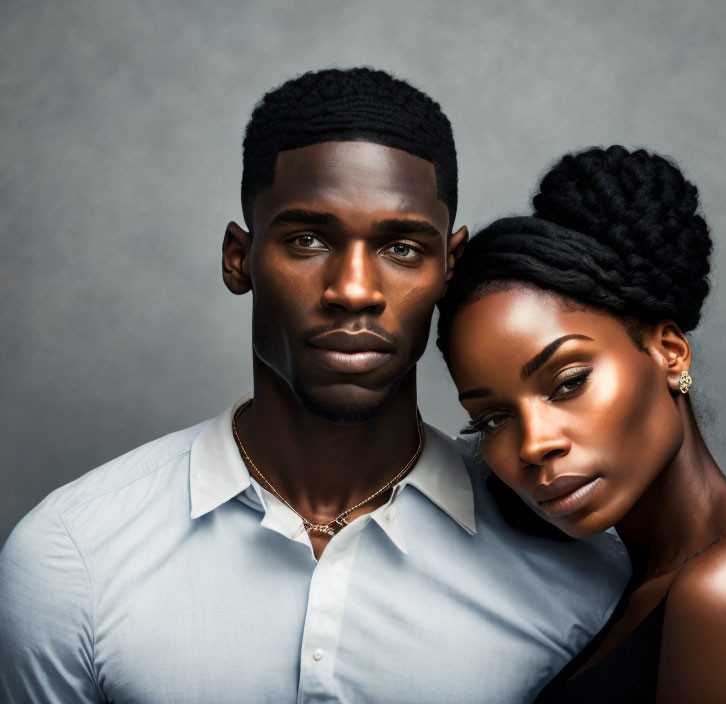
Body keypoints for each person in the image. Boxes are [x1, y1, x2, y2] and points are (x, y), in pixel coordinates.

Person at [0, 69, 629, 703]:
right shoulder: (72, 558)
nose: (353, 289)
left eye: (403, 248)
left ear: (449, 269)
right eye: (307, 239)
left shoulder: (581, 575)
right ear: (238, 259)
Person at [436, 145, 726, 703]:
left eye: (568, 381)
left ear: (669, 352)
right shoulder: (635, 583)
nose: (535, 444)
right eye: (493, 418)